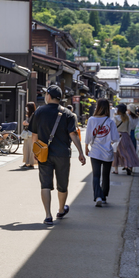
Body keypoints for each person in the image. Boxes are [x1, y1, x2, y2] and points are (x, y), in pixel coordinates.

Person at [29, 85, 86, 226]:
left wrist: (35, 152)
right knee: (62, 184)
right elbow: (73, 134)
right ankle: (61, 210)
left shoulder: (39, 112)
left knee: (45, 184)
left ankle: (48, 216)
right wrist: (80, 152)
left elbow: (34, 135)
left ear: (48, 95)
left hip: (44, 154)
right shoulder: (68, 113)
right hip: (62, 154)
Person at [85, 99, 119, 207]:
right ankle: (104, 196)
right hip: (107, 152)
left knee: (96, 175)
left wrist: (86, 147)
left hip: (95, 151)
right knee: (105, 175)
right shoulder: (110, 121)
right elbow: (115, 138)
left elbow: (88, 136)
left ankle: (98, 196)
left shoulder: (91, 120)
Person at [113, 104, 139, 175]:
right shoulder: (127, 118)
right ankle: (127, 166)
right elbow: (128, 129)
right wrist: (128, 135)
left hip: (117, 136)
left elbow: (113, 129)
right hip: (126, 136)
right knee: (127, 153)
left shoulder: (115, 118)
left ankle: (116, 170)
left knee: (116, 153)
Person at [21, 102, 37, 169]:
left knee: (30, 149)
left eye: (27, 107)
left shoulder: (34, 115)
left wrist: (27, 124)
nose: (26, 109)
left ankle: (31, 163)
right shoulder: (29, 115)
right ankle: (27, 162)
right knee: (26, 149)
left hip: (31, 134)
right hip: (28, 134)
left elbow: (34, 124)